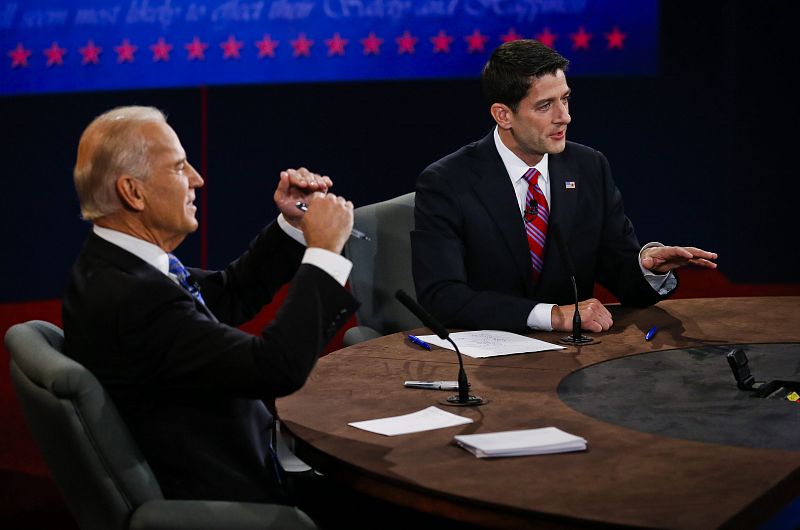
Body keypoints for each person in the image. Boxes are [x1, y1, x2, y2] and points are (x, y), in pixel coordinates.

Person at [62, 106, 359, 507]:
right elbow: (275, 367)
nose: (197, 180)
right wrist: (324, 252)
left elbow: (229, 292)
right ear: (133, 191)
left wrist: (292, 226)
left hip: (238, 458)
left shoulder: (113, 264)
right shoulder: (132, 298)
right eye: (180, 167)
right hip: (237, 495)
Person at [411, 40, 717, 333]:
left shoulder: (588, 167)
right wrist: (552, 315)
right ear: (503, 115)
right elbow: (441, 296)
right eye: (545, 106)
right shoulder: (447, 182)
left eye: (565, 99)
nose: (565, 117)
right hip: (486, 360)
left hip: (576, 355)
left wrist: (649, 267)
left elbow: (621, 275)